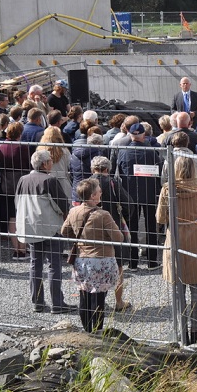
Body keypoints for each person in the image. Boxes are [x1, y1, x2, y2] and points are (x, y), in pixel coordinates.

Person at [156, 154, 197, 345]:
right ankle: (195, 330)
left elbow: (160, 218)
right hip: (196, 235)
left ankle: (181, 331)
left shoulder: (168, 188)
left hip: (176, 236)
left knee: (178, 289)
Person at [16, 149, 74, 314]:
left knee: (36, 264)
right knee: (54, 265)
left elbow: (17, 203)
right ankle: (57, 303)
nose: (51, 163)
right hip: (50, 228)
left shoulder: (23, 180)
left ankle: (38, 303)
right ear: (44, 164)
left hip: (31, 228)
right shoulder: (50, 181)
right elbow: (62, 205)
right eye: (49, 161)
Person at [61, 178, 121, 333]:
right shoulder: (103, 215)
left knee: (84, 296)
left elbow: (64, 231)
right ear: (93, 195)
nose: (101, 191)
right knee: (99, 298)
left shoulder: (74, 211)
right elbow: (118, 237)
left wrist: (79, 238)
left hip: (81, 259)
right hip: (101, 260)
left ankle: (87, 331)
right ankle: (97, 331)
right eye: (99, 190)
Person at [116, 122, 164, 270]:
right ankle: (152, 261)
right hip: (149, 194)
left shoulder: (123, 151)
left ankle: (133, 262)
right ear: (143, 135)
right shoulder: (151, 152)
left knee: (132, 228)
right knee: (150, 227)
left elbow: (119, 173)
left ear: (130, 135)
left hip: (130, 195)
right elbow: (159, 173)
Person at [89, 155, 132, 311]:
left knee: (93, 264)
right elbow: (129, 203)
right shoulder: (113, 182)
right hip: (112, 227)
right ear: (108, 168)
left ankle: (94, 302)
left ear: (92, 169)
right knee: (118, 266)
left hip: (91, 229)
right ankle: (118, 302)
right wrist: (122, 218)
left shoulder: (86, 183)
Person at [0, 122, 29, 258]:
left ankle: (17, 249)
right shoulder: (23, 147)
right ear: (19, 133)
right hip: (21, 184)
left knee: (12, 217)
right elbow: (28, 164)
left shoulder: (0, 146)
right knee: (23, 216)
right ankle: (23, 247)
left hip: (7, 184)